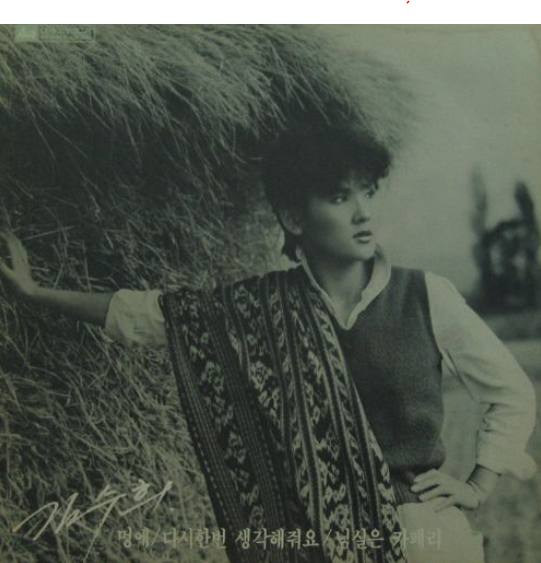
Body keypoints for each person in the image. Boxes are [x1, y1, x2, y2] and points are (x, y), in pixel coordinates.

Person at [0, 126, 536, 563]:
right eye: (339, 197)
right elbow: (147, 314)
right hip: (311, 546)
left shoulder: (424, 295)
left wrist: (478, 485)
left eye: (368, 192)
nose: (363, 212)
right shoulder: (254, 310)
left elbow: (511, 392)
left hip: (421, 538)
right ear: (293, 217)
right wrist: (35, 294)